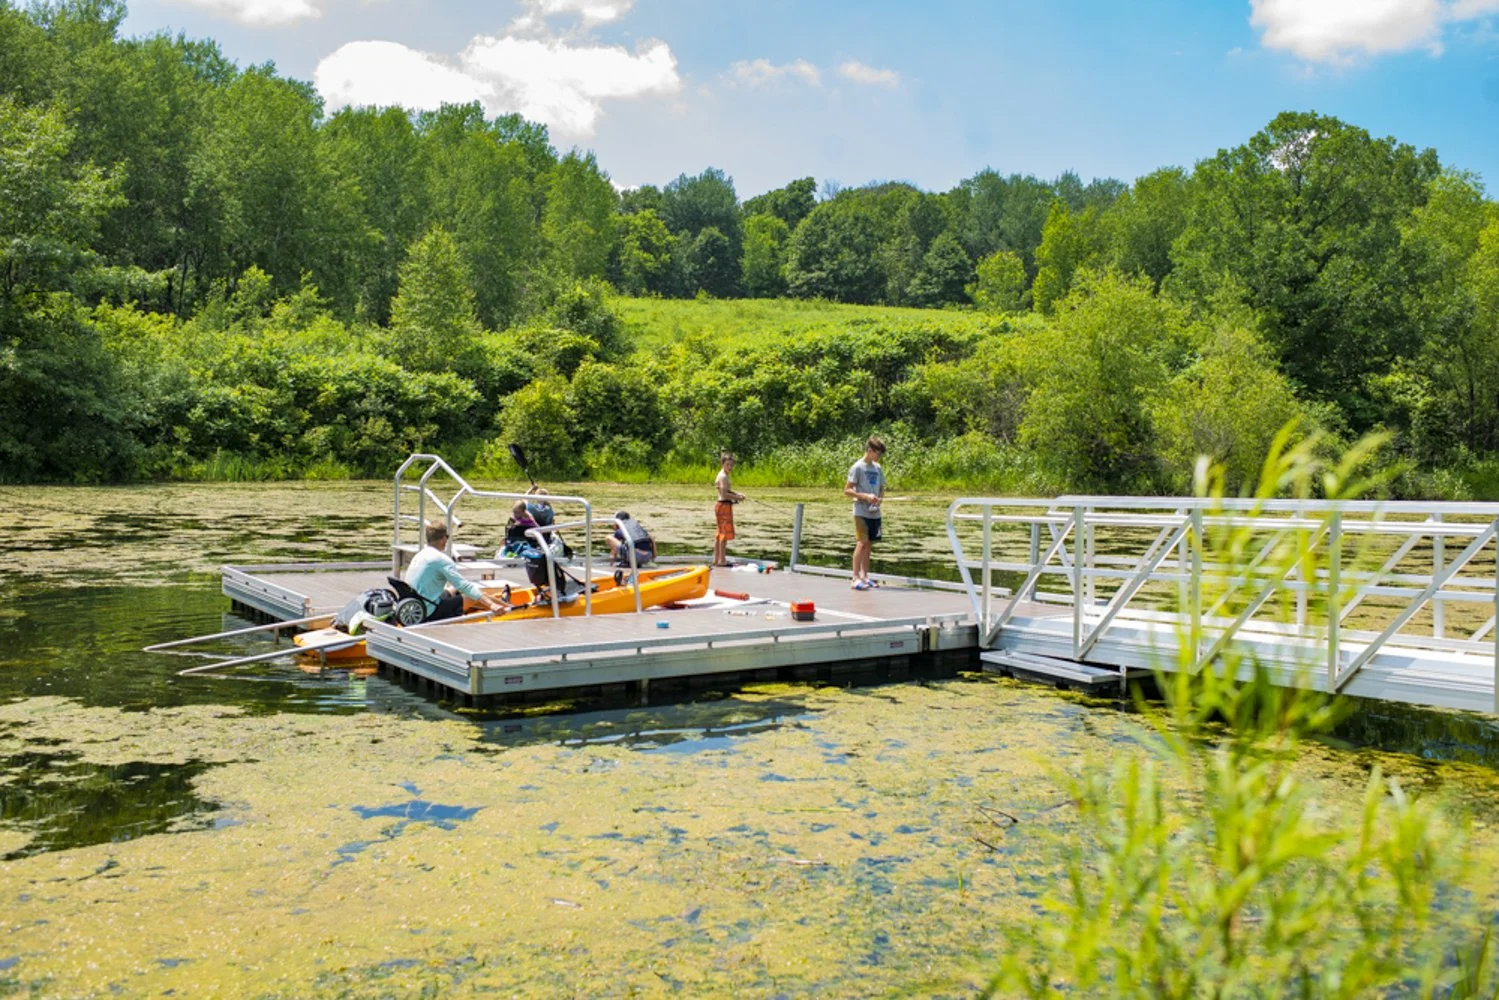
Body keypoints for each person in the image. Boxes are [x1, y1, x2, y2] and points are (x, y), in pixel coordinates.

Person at [405, 522, 502, 620]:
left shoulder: (419, 555)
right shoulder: (441, 560)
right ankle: (505, 607)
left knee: (453, 589)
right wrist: (491, 604)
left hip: (413, 605)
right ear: (444, 539)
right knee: (472, 596)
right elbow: (464, 586)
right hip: (428, 612)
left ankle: (503, 604)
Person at [844, 435, 886, 591]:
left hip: (874, 512)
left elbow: (882, 487)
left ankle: (864, 576)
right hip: (861, 511)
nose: (879, 457)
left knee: (869, 544)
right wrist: (865, 496)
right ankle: (854, 577)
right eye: (878, 453)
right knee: (861, 543)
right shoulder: (857, 467)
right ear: (869, 450)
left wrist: (879, 499)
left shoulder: (878, 468)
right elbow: (847, 490)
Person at [713, 451, 745, 567]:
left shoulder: (723, 475)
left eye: (731, 465)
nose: (730, 467)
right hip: (723, 506)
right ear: (722, 463)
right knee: (723, 534)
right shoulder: (723, 476)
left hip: (723, 505)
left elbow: (727, 491)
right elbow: (724, 494)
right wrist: (737, 497)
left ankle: (717, 560)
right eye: (728, 464)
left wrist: (737, 495)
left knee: (719, 533)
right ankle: (722, 561)